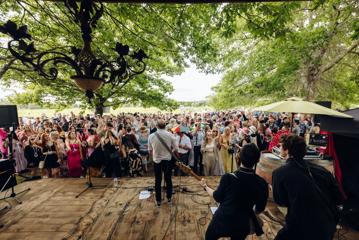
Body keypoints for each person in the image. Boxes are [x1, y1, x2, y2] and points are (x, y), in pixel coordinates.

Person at [272, 134, 343, 240]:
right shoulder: (322, 170)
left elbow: (281, 201)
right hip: (327, 225)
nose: (279, 148)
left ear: (287, 151)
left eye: (281, 146)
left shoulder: (279, 173)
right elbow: (338, 197)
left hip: (300, 226)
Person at [200, 143, 268, 240]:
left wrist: (205, 186)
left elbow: (217, 197)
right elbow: (259, 209)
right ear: (257, 160)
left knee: (209, 237)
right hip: (242, 224)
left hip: (222, 221)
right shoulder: (262, 183)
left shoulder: (228, 178)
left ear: (238, 157)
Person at [148, 119, 178, 207]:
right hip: (167, 160)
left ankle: (158, 201)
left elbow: (150, 150)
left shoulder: (151, 136)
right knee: (168, 179)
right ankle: (169, 199)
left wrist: (155, 153)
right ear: (165, 126)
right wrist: (170, 151)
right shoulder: (170, 135)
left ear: (156, 126)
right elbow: (176, 148)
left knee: (158, 180)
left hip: (157, 160)